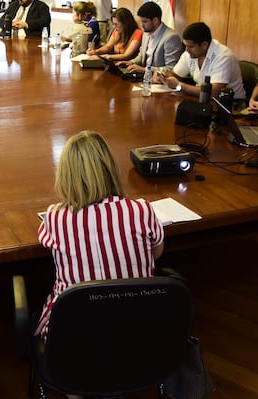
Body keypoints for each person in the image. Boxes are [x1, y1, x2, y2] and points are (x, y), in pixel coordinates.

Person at [34, 130, 164, 343]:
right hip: (138, 333)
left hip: (75, 338)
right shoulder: (141, 210)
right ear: (110, 168)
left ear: (65, 175)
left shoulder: (55, 217)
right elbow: (156, 254)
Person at [160, 22, 246, 103]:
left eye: (191, 46)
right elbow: (175, 75)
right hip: (202, 101)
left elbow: (214, 92)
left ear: (204, 45)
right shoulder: (190, 53)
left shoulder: (223, 56)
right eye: (185, 45)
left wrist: (179, 86)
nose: (187, 50)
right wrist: (164, 77)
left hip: (231, 106)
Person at [117, 2, 183, 74]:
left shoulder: (171, 38)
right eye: (141, 21)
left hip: (158, 81)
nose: (141, 25)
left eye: (144, 22)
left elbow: (171, 69)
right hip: (144, 77)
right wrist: (130, 62)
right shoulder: (146, 33)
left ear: (155, 20)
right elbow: (141, 56)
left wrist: (145, 69)